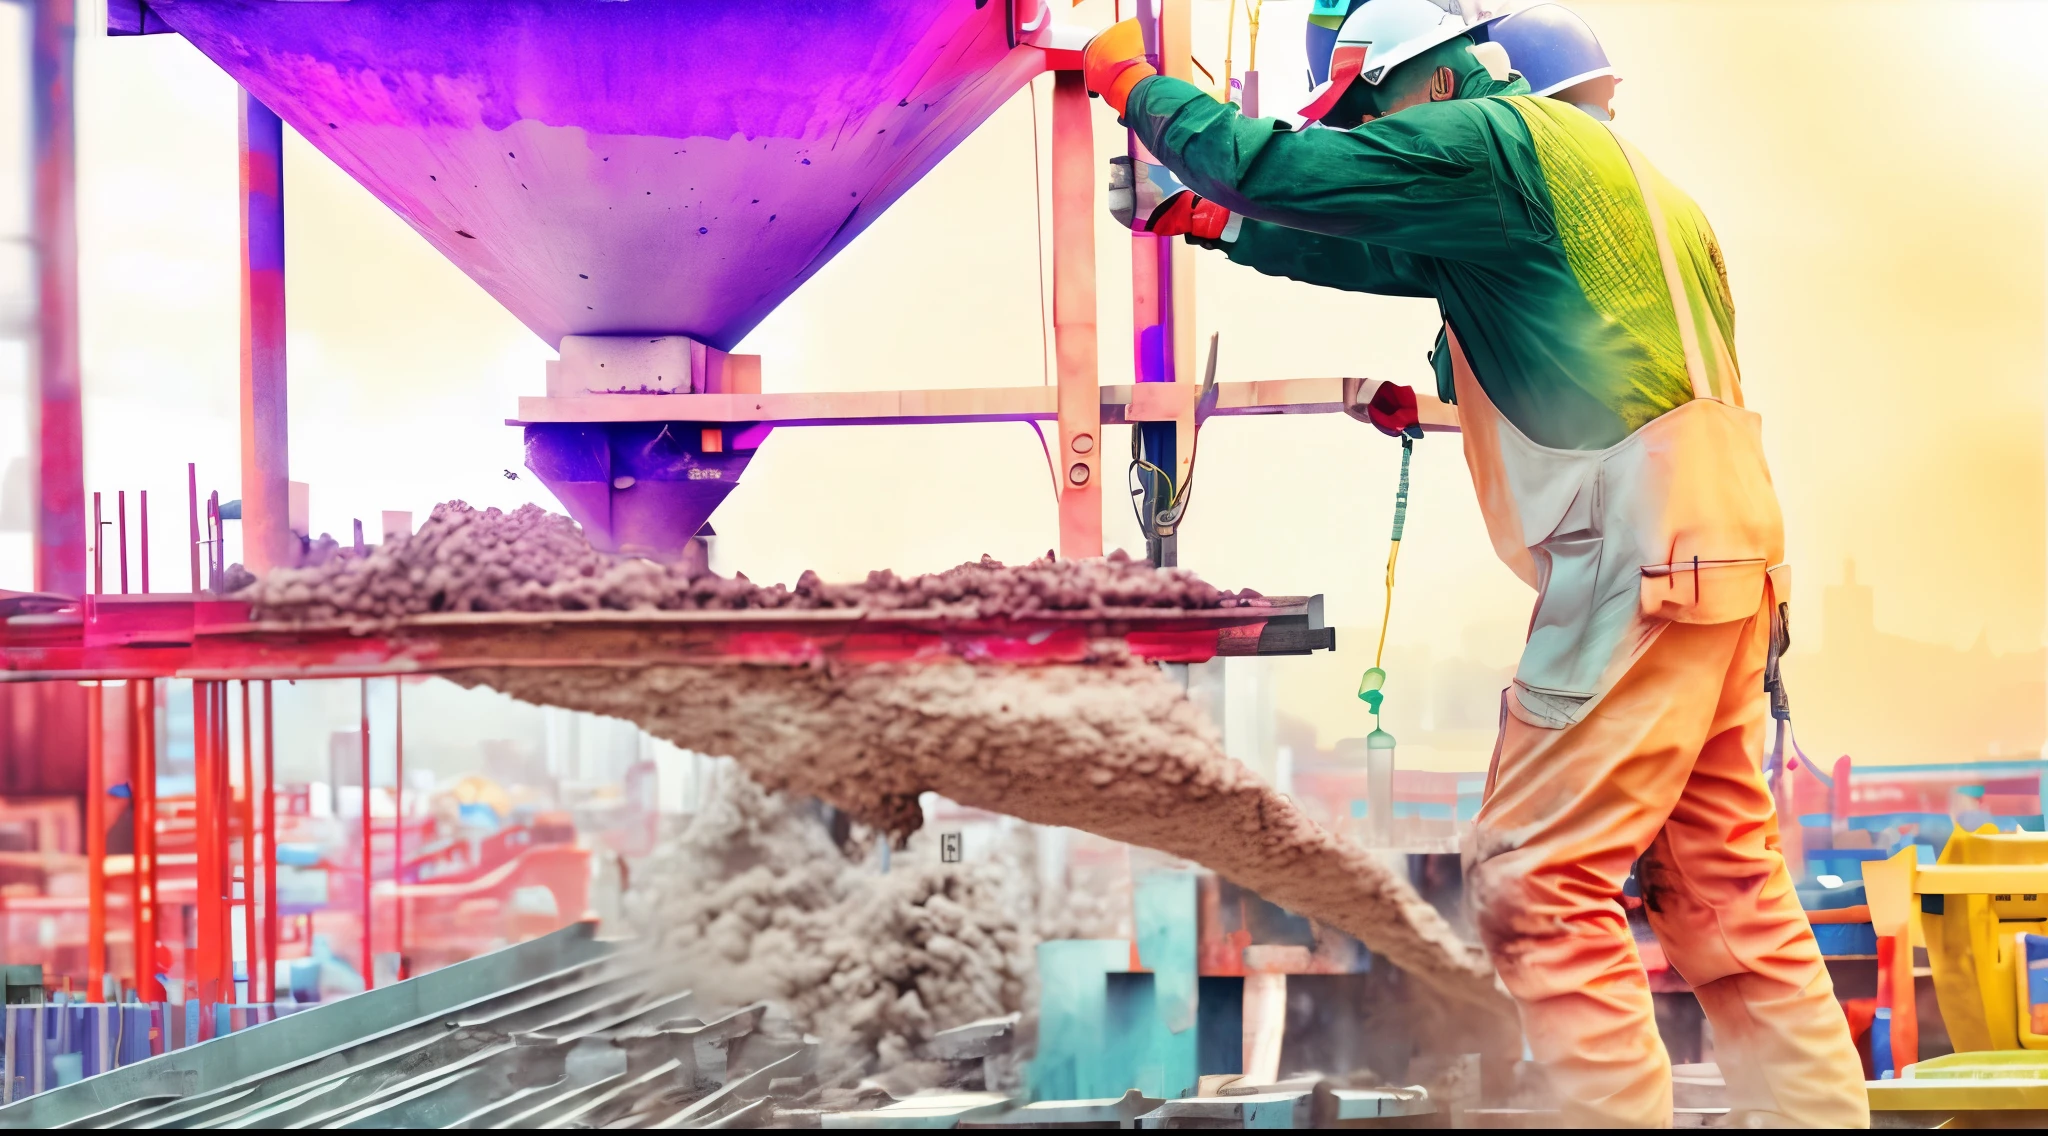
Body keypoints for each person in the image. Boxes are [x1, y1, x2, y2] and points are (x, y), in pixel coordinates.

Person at [1084, 0, 1869, 1125]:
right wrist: (1214, 225)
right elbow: (1400, 255)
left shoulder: (1483, 139)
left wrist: (1137, 89)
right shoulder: (1618, 179)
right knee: (1724, 888)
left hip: (1634, 559)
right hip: (1727, 553)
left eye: (1373, 119)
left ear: (1432, 85)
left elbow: (1291, 170)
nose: (1374, 144)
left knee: (1535, 879)